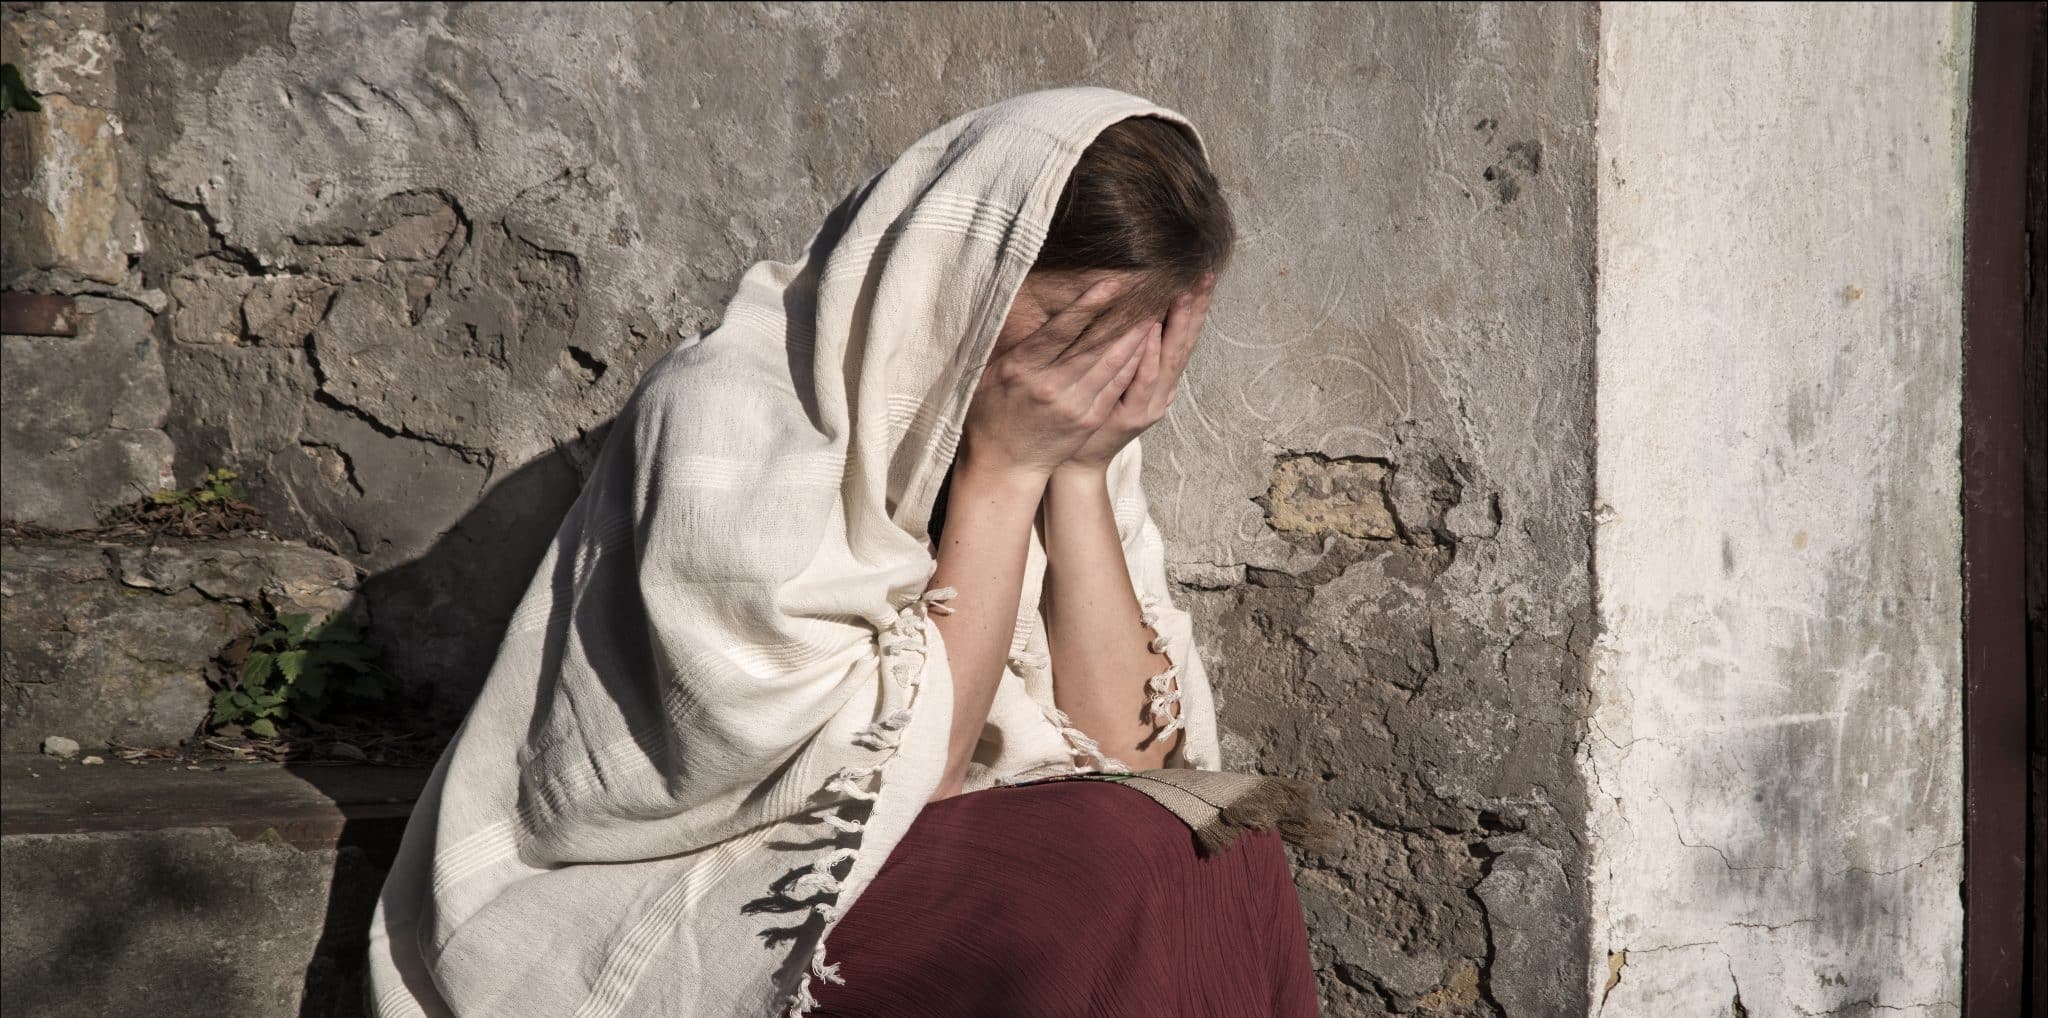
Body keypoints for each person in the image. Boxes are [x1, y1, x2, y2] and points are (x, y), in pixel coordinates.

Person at [364, 86, 1316, 1018]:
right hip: (721, 873)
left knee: (1214, 848)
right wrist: (1001, 475)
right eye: (1072, 329)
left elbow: (1133, 753)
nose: (1094, 372)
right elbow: (890, 782)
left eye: (1131, 337)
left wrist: (1079, 470)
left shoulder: (1061, 418)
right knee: (1101, 873)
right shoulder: (735, 413)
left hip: (969, 840)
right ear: (967, 277)